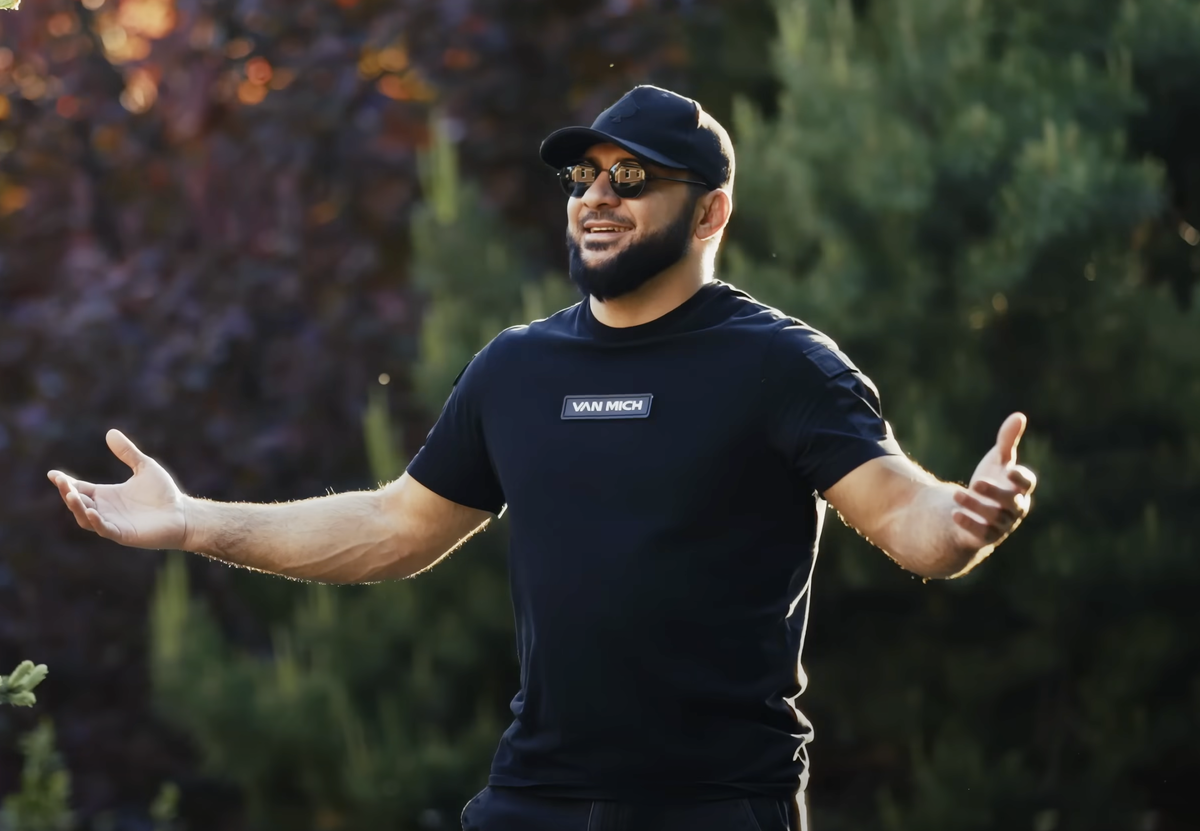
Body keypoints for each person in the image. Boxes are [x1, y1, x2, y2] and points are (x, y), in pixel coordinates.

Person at [48, 85, 1037, 831]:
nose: (596, 198)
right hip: (535, 798)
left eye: (632, 179)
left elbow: (904, 515)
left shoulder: (782, 365)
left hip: (713, 804)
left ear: (711, 213)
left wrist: (966, 518)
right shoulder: (518, 368)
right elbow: (395, 526)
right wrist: (194, 520)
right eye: (583, 178)